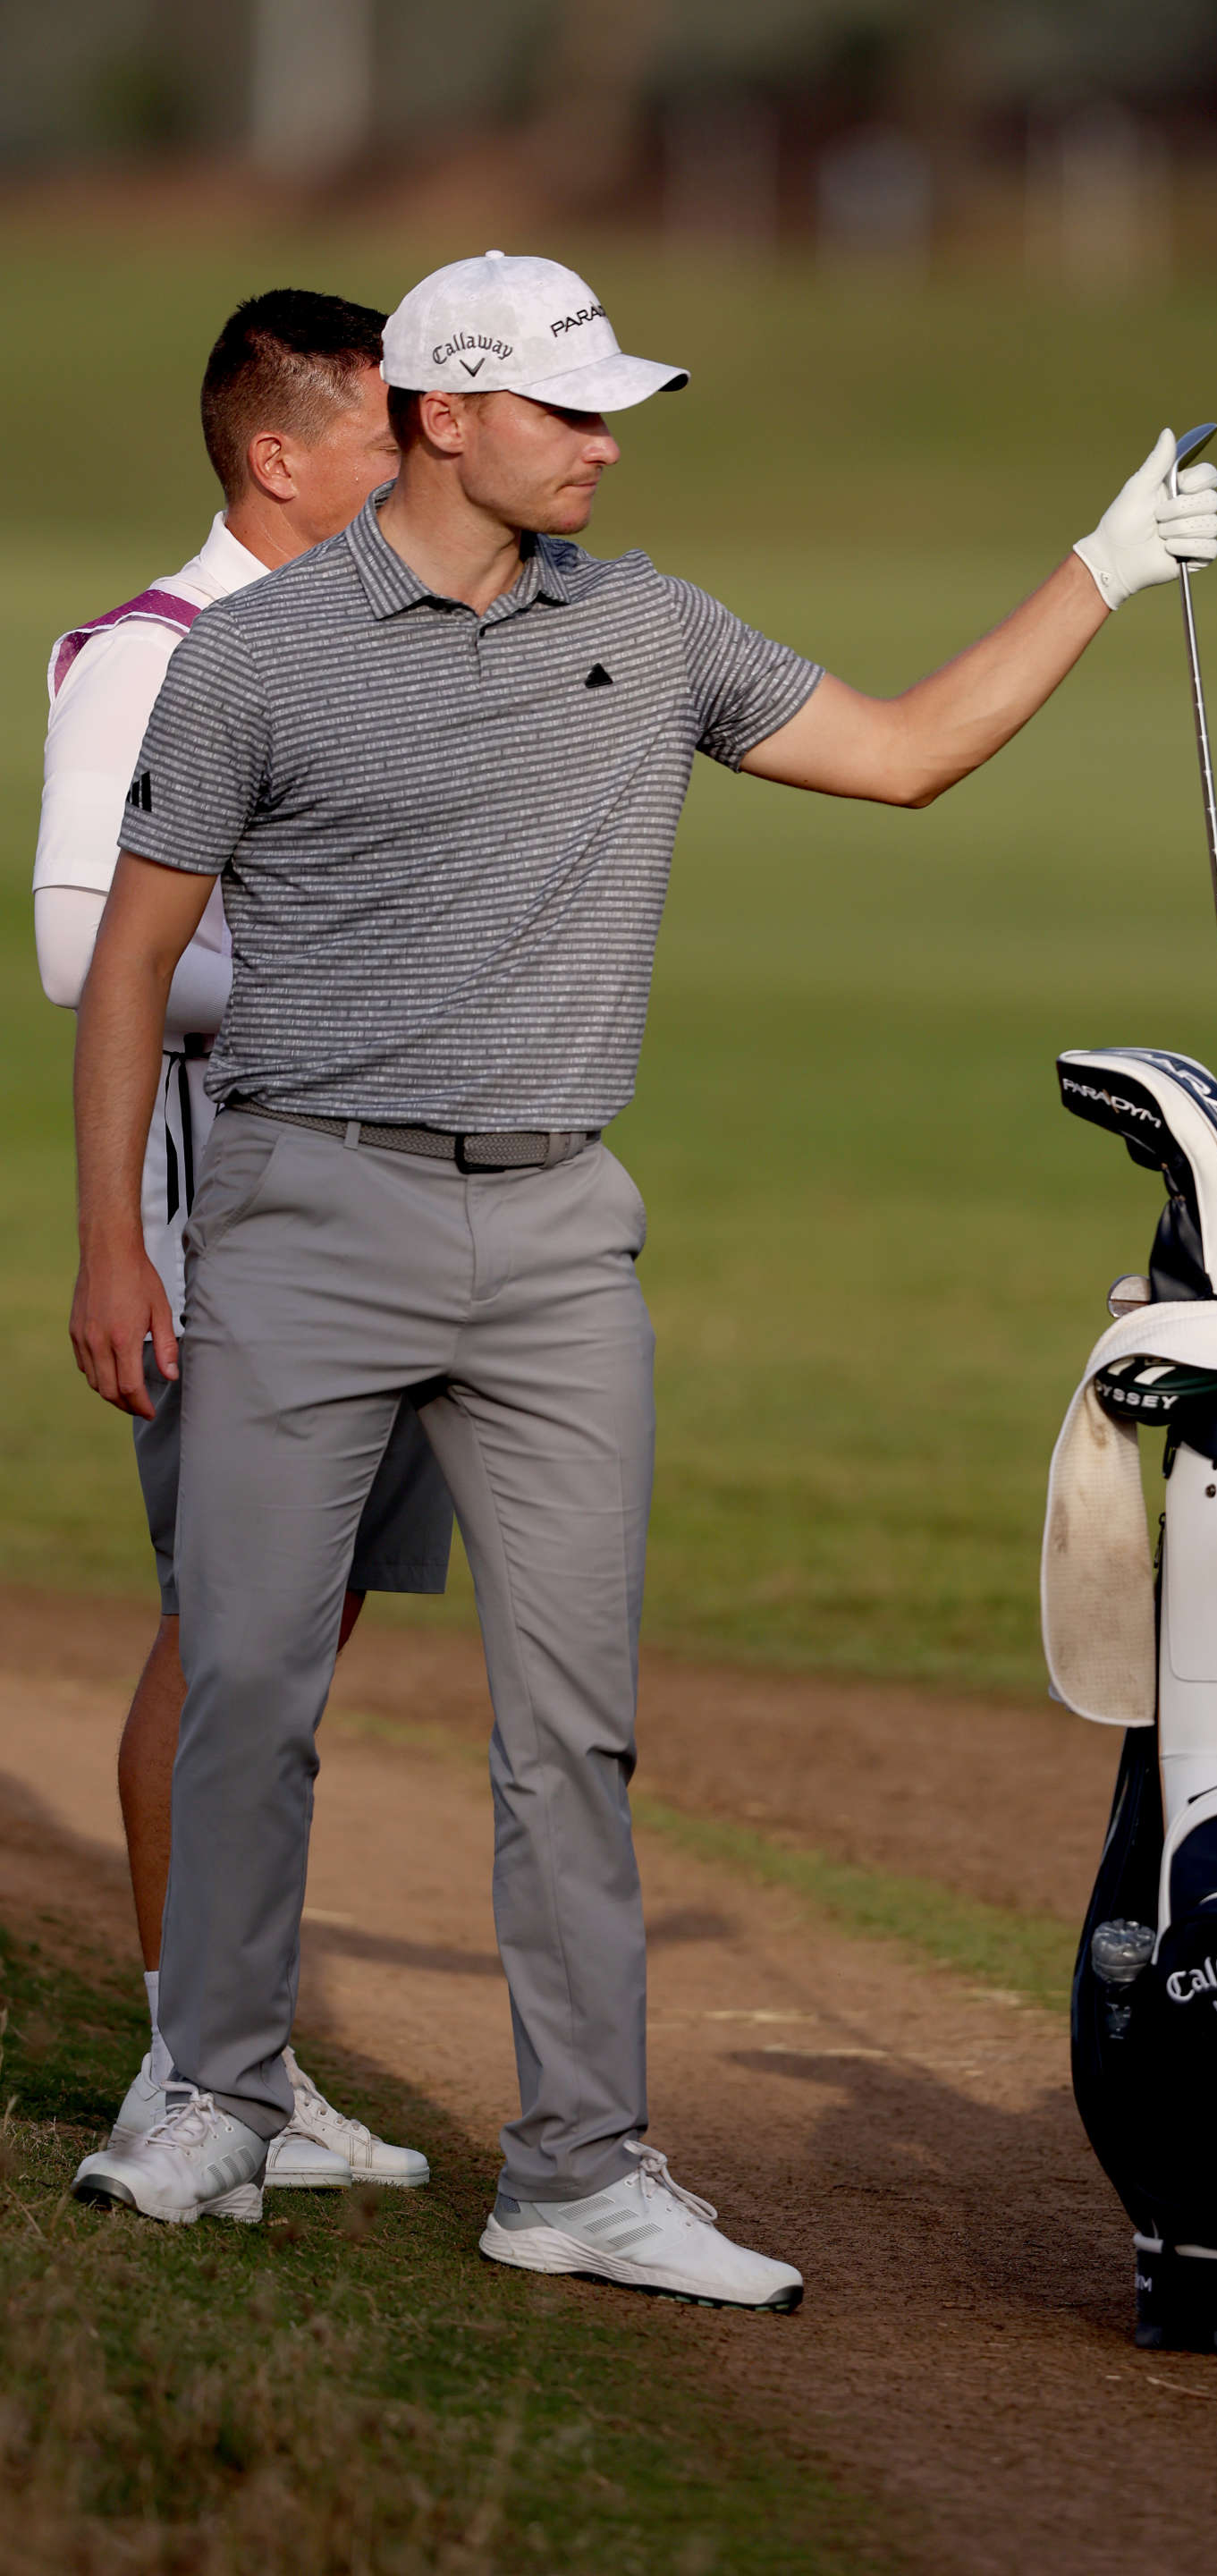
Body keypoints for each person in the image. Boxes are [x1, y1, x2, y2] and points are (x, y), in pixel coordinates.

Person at [64, 250, 1217, 2288]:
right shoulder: (250, 662)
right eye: (569, 409)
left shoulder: (654, 627)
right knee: (250, 1678)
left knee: (572, 1723)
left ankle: (581, 2169)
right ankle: (217, 2095)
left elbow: (909, 751)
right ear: (441, 413)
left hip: (559, 1238)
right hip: (304, 1214)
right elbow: (132, 965)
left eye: (615, 411)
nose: (608, 443)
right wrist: (105, 1243)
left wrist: (1104, 565)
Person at [37, 289, 452, 2197]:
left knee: (292, 1647)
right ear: (282, 457)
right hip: (238, 1230)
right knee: (226, 1648)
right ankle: (190, 2080)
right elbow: (77, 950)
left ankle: (242, 2072)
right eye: (387, 438)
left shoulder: (367, 647)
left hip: (391, 1225)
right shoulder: (154, 656)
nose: (418, 468)